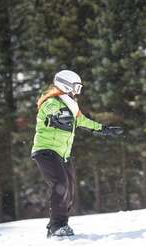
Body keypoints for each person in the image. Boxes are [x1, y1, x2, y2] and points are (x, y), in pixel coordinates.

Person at [31, 70, 123, 237]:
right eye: (76, 87)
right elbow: (51, 110)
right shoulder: (51, 101)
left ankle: (60, 225)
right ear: (65, 84)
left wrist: (103, 129)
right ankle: (57, 226)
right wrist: (59, 116)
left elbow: (83, 121)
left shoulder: (70, 104)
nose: (77, 91)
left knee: (70, 189)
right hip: (46, 151)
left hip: (62, 154)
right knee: (60, 185)